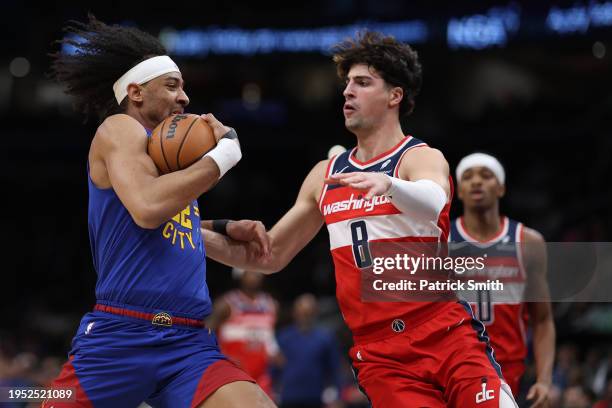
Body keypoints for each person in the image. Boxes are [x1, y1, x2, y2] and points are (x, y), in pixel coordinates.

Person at [204, 30, 518, 407]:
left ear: (394, 95)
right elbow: (267, 255)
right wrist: (187, 231)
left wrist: (389, 185)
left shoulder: (418, 157)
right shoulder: (327, 174)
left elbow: (434, 200)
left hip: (444, 331)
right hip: (382, 356)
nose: (347, 92)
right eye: (348, 83)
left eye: (363, 83)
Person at [45, 15, 275, 407]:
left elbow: (161, 222)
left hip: (186, 341)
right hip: (122, 335)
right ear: (135, 92)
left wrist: (222, 226)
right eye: (172, 86)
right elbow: (149, 209)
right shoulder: (119, 129)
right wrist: (224, 155)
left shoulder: (170, 163)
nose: (184, 97)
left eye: (183, 88)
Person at [451, 153, 556, 406]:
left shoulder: (528, 242)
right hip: (454, 367)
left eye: (486, 176)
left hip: (508, 369)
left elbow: (542, 320)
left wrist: (543, 380)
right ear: (460, 191)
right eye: (468, 177)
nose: (477, 182)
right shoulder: (441, 241)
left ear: (501, 188)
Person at [207, 269, 280, 397]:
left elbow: (269, 337)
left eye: (257, 273)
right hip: (233, 373)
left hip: (261, 375)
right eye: (250, 272)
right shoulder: (226, 303)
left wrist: (275, 352)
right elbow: (206, 332)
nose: (254, 276)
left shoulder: (271, 304)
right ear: (240, 275)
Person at [273, 294, 343, 408]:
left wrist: (337, 396)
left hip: (316, 397)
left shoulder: (325, 338)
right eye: (302, 312)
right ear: (294, 313)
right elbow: (274, 367)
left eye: (308, 312)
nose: (304, 316)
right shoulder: (283, 337)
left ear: (315, 313)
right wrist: (272, 392)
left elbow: (334, 368)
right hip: (288, 397)